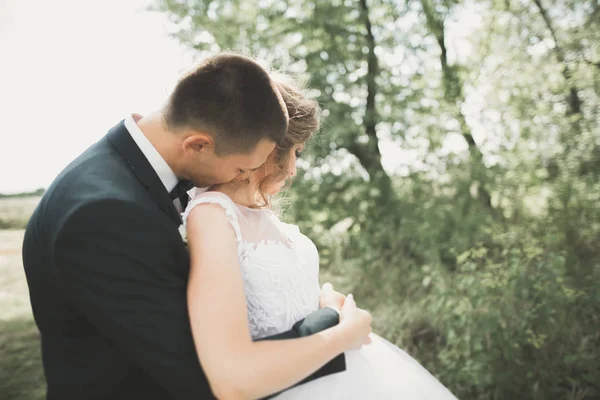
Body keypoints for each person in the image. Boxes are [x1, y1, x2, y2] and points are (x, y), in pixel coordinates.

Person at [21, 53, 371, 400]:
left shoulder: (127, 173)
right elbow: (207, 376)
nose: (241, 179)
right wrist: (332, 327)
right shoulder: (103, 214)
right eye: (239, 169)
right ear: (198, 145)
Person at [182, 77, 459, 399]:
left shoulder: (263, 216)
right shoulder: (212, 214)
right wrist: (344, 333)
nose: (295, 169)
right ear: (268, 148)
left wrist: (331, 305)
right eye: (296, 152)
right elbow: (232, 373)